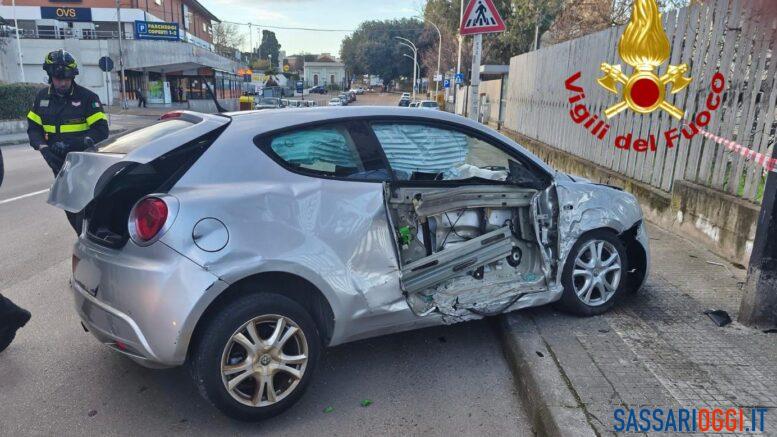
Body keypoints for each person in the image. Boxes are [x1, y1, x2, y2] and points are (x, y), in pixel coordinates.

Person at [27, 49, 109, 234]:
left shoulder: (87, 98)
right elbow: (33, 129)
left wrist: (73, 144)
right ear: (50, 76)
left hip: (85, 163)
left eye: (67, 78)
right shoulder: (42, 98)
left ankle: (93, 239)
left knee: (91, 207)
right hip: (58, 163)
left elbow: (101, 131)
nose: (63, 83)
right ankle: (83, 237)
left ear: (73, 76)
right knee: (69, 207)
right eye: (58, 79)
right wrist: (44, 148)